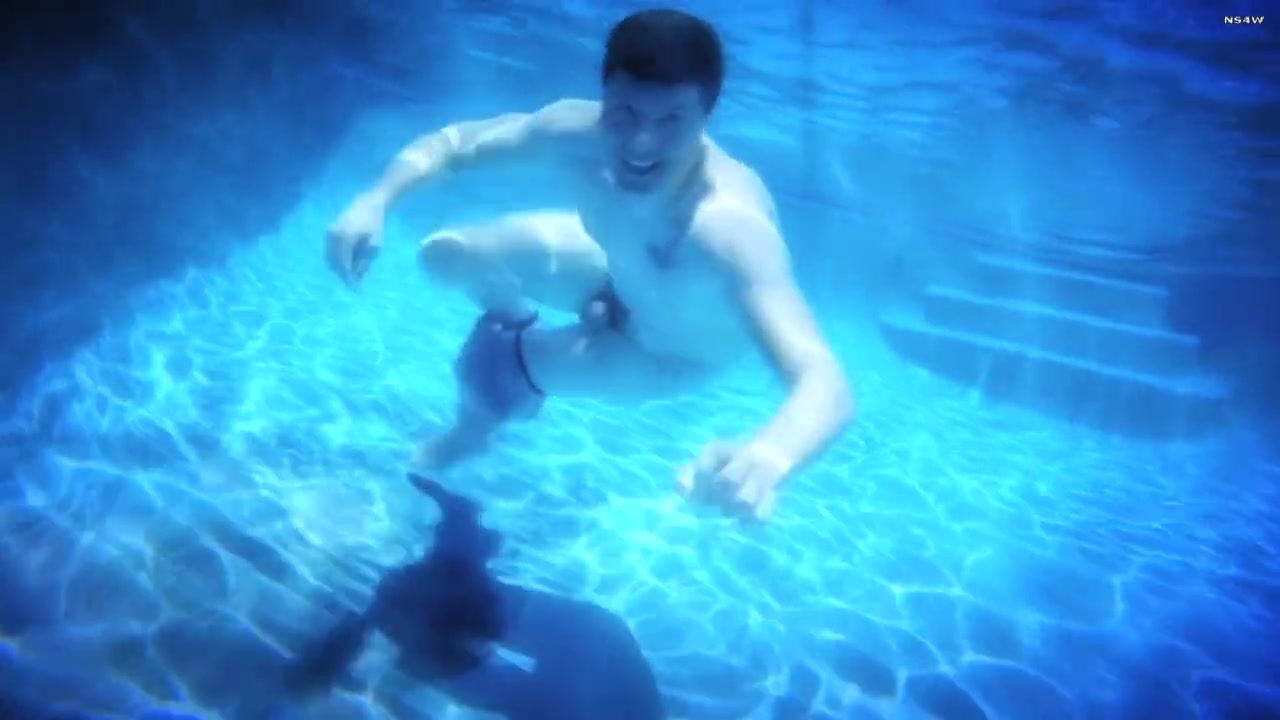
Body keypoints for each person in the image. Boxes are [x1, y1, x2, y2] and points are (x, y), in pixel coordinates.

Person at [325, 9, 853, 521]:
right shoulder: (576, 134)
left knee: (490, 372)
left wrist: (769, 457)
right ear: (604, 97)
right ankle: (513, 320)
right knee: (450, 255)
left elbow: (823, 379)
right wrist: (375, 200)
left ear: (706, 118)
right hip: (615, 276)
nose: (641, 144)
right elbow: (454, 143)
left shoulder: (728, 230)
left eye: (671, 120)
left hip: (662, 354)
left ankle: (475, 426)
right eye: (625, 113)